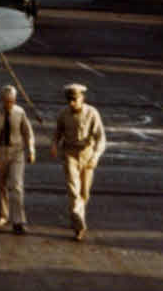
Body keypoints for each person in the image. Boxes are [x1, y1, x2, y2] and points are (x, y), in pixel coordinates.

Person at [50, 82, 105, 241]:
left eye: (74, 99)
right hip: (70, 154)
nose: (72, 103)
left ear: (82, 98)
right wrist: (54, 145)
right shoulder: (63, 114)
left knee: (84, 192)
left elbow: (101, 138)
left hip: (87, 154)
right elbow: (57, 134)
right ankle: (78, 222)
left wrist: (95, 156)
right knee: (74, 189)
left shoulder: (92, 113)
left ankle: (78, 214)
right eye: (69, 100)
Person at [0, 84, 35, 234]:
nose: (9, 104)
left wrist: (31, 149)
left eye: (11, 101)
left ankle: (19, 221)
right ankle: (3, 214)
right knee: (1, 186)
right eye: (6, 101)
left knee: (17, 185)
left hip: (16, 151)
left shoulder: (20, 112)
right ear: (2, 99)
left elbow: (28, 132)